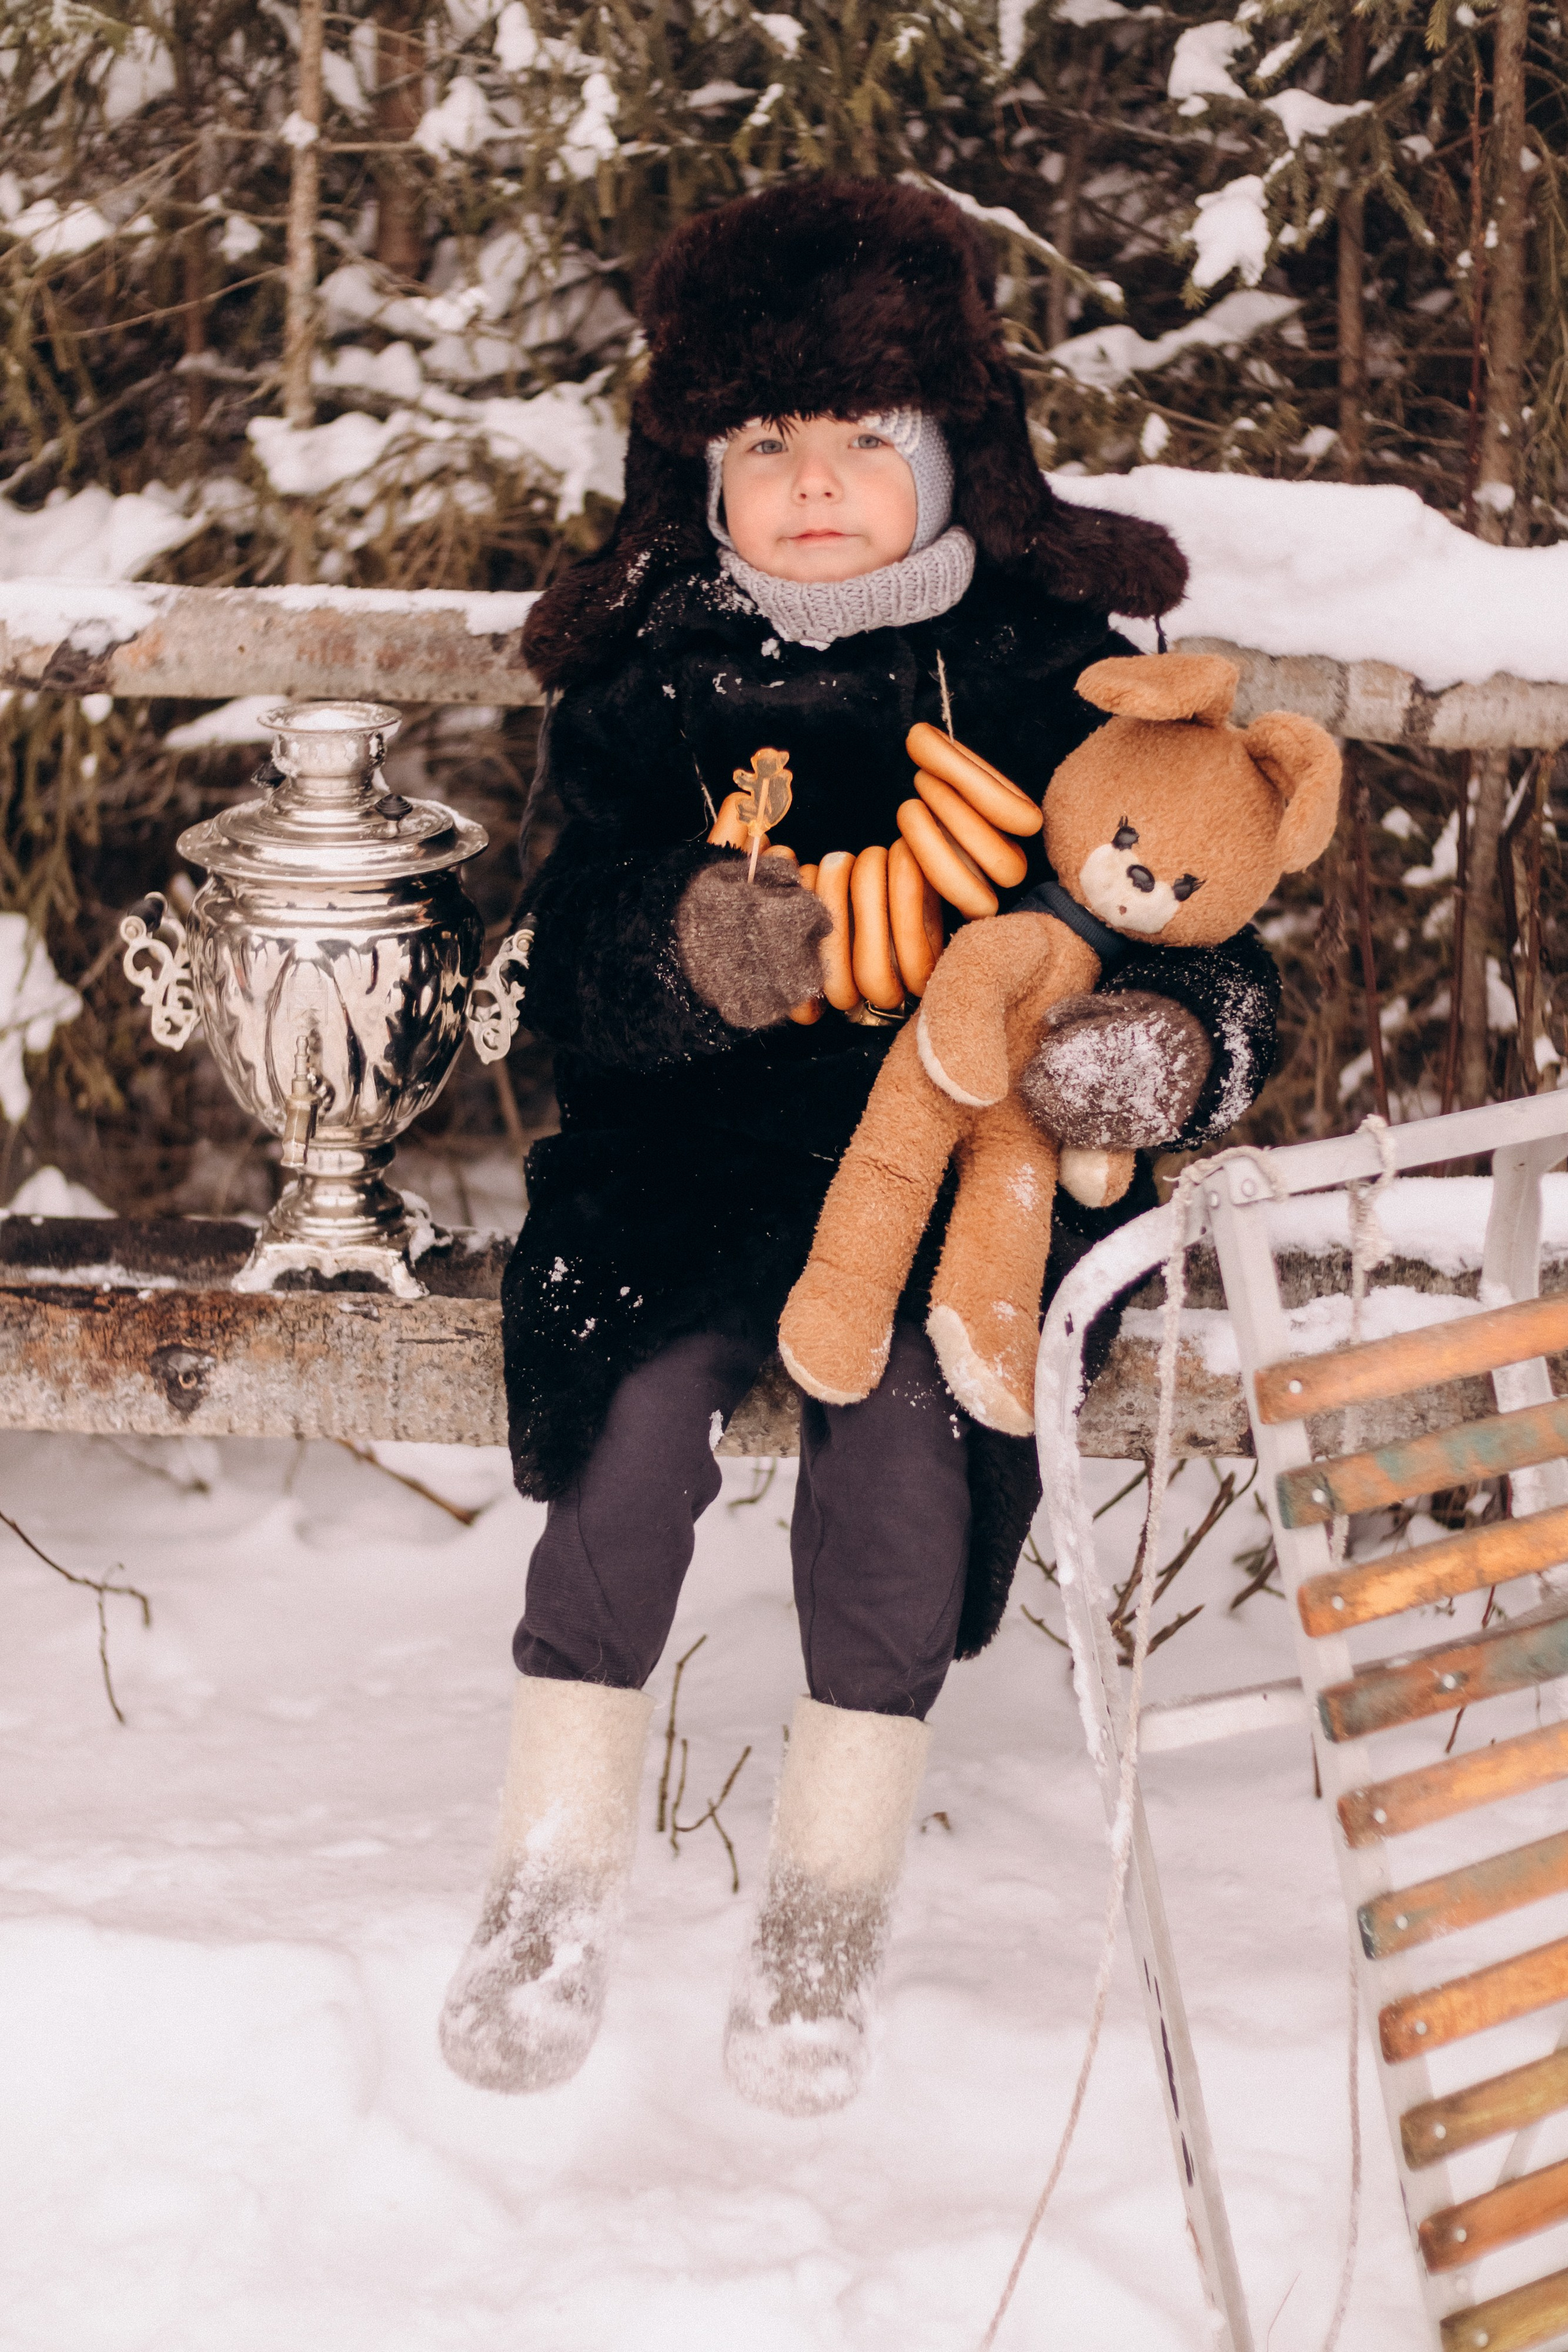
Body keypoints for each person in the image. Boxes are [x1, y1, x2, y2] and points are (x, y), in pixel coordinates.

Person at [439, 178, 1281, 2117]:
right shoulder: (654, 680)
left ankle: (824, 1917)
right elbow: (562, 950)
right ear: (706, 475)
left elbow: (1204, 923)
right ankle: (550, 1880)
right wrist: (672, 949)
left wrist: (1165, 1049)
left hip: (959, 1172)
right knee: (629, 1430)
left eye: (861, 444)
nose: (814, 484)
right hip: (691, 1159)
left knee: (904, 1446)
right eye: (766, 446)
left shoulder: (1056, 672)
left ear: (950, 456)